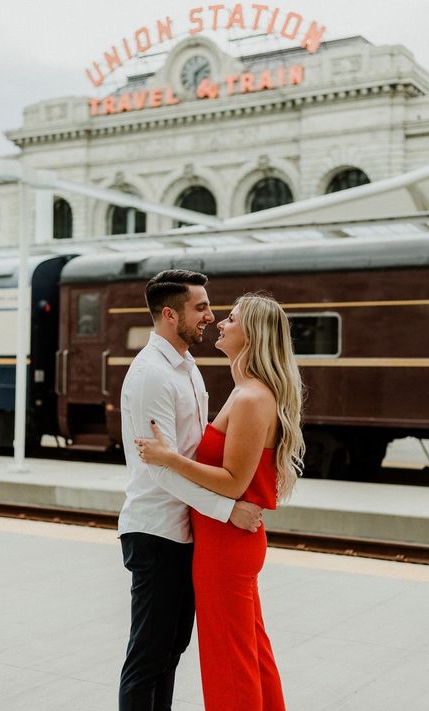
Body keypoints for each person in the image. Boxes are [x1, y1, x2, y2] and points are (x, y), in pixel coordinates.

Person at [136, 293, 305, 711]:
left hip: (225, 544)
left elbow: (232, 483)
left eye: (231, 318)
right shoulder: (247, 391)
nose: (220, 323)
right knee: (250, 651)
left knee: (229, 660)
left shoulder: (250, 398)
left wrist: (169, 458)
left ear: (253, 335)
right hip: (227, 540)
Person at [118, 270, 263, 711]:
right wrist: (227, 509)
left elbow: (190, 453)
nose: (210, 315)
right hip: (157, 530)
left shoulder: (187, 367)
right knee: (149, 656)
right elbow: (161, 470)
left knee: (170, 652)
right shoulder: (150, 375)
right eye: (200, 308)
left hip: (184, 532)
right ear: (168, 314)